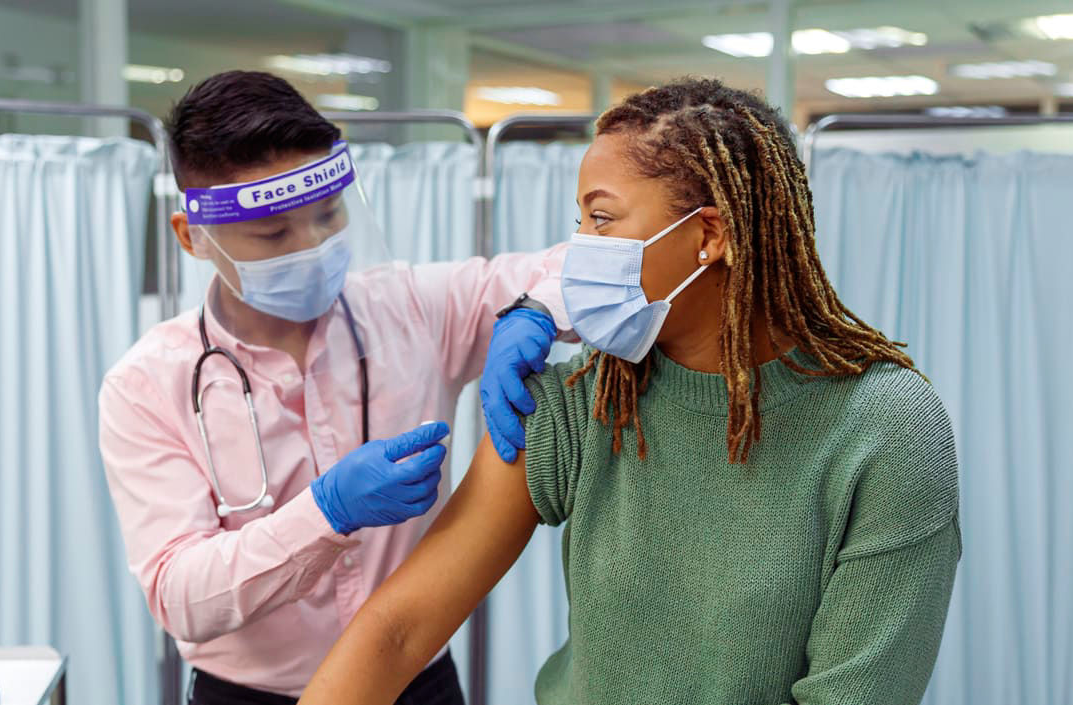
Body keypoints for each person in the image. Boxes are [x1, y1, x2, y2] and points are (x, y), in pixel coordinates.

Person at [298, 77, 962, 705]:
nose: (578, 250)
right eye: (581, 221)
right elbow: (399, 628)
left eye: (601, 218)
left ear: (709, 235)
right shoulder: (585, 400)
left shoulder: (886, 428)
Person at [98, 70, 569, 705]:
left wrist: (538, 307)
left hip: (417, 684)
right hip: (251, 696)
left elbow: (588, 266)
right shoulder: (148, 384)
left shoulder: (411, 309)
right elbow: (181, 596)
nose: (314, 246)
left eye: (328, 215)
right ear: (192, 236)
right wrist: (325, 513)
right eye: (273, 234)